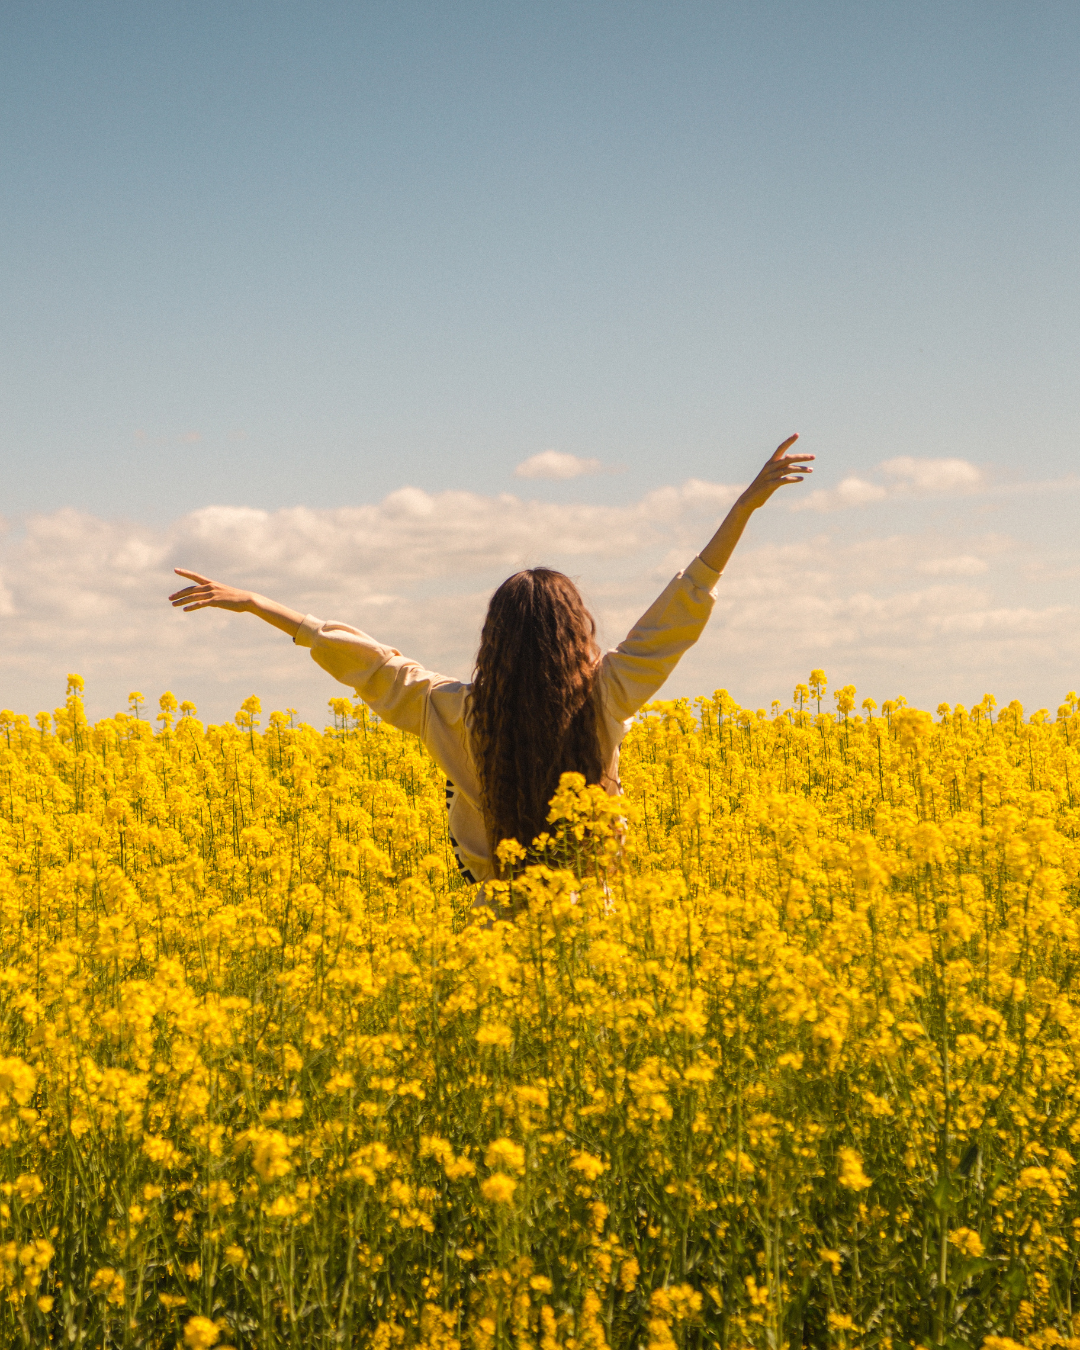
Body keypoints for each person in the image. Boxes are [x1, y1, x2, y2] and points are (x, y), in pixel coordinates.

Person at [169, 436, 812, 885]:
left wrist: (255, 603)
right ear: (576, 635)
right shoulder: (606, 696)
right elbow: (677, 614)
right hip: (591, 922)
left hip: (494, 930)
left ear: (493, 639)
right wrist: (744, 507)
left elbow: (365, 661)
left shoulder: (453, 711)